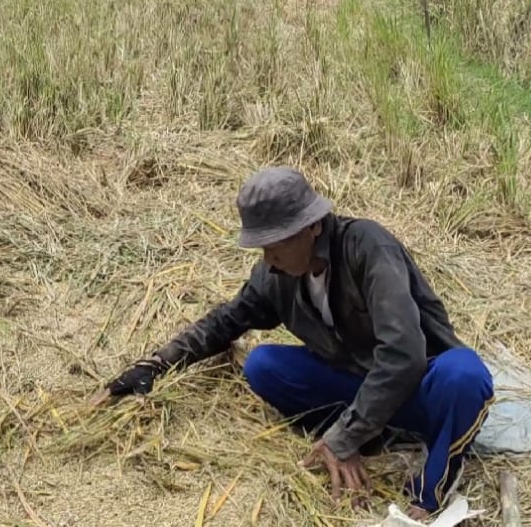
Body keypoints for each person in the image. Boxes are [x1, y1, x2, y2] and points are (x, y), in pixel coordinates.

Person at [101, 166, 494, 520]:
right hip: (360, 386)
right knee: (263, 365)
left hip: (420, 388)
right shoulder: (277, 273)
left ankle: (431, 488)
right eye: (261, 245)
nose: (268, 256)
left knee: (464, 374)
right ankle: (376, 434)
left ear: (313, 227)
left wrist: (345, 436)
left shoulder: (368, 247)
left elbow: (404, 356)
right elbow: (226, 321)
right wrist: (156, 363)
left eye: (276, 242)